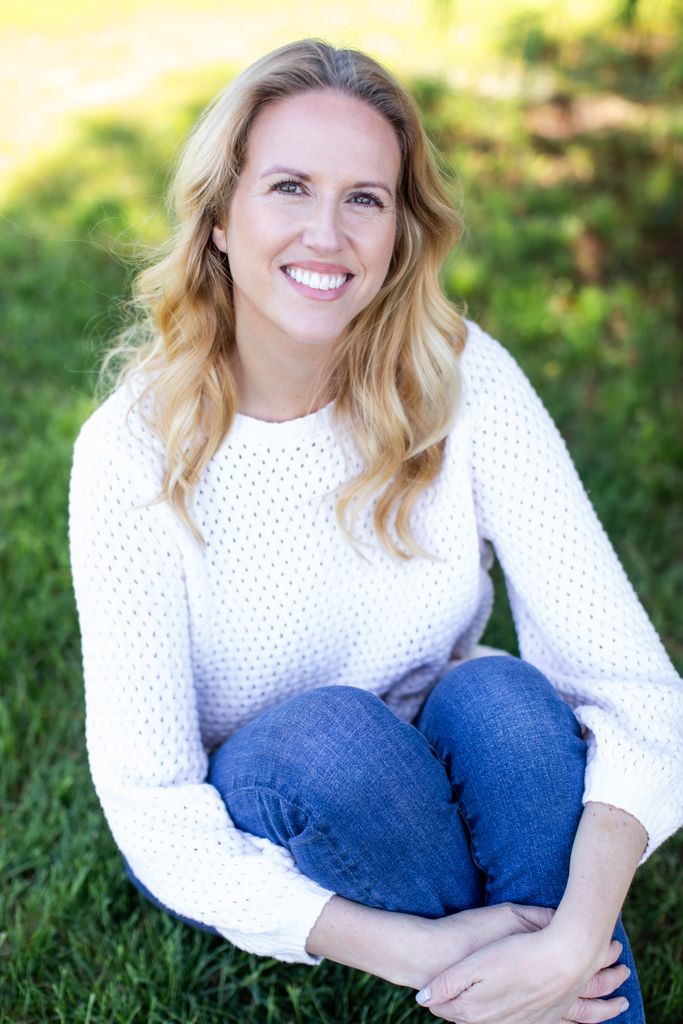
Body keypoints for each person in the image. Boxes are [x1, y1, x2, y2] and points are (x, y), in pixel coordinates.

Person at [68, 37, 682, 1023]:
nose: (329, 232)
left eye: (365, 197)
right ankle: (525, 991)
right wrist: (423, 950)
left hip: (430, 734)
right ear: (220, 218)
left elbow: (635, 692)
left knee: (507, 701)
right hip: (270, 801)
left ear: (400, 228)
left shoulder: (459, 374)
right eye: (288, 188)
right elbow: (152, 802)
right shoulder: (129, 453)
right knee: (333, 739)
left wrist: (575, 933)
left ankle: (554, 987)